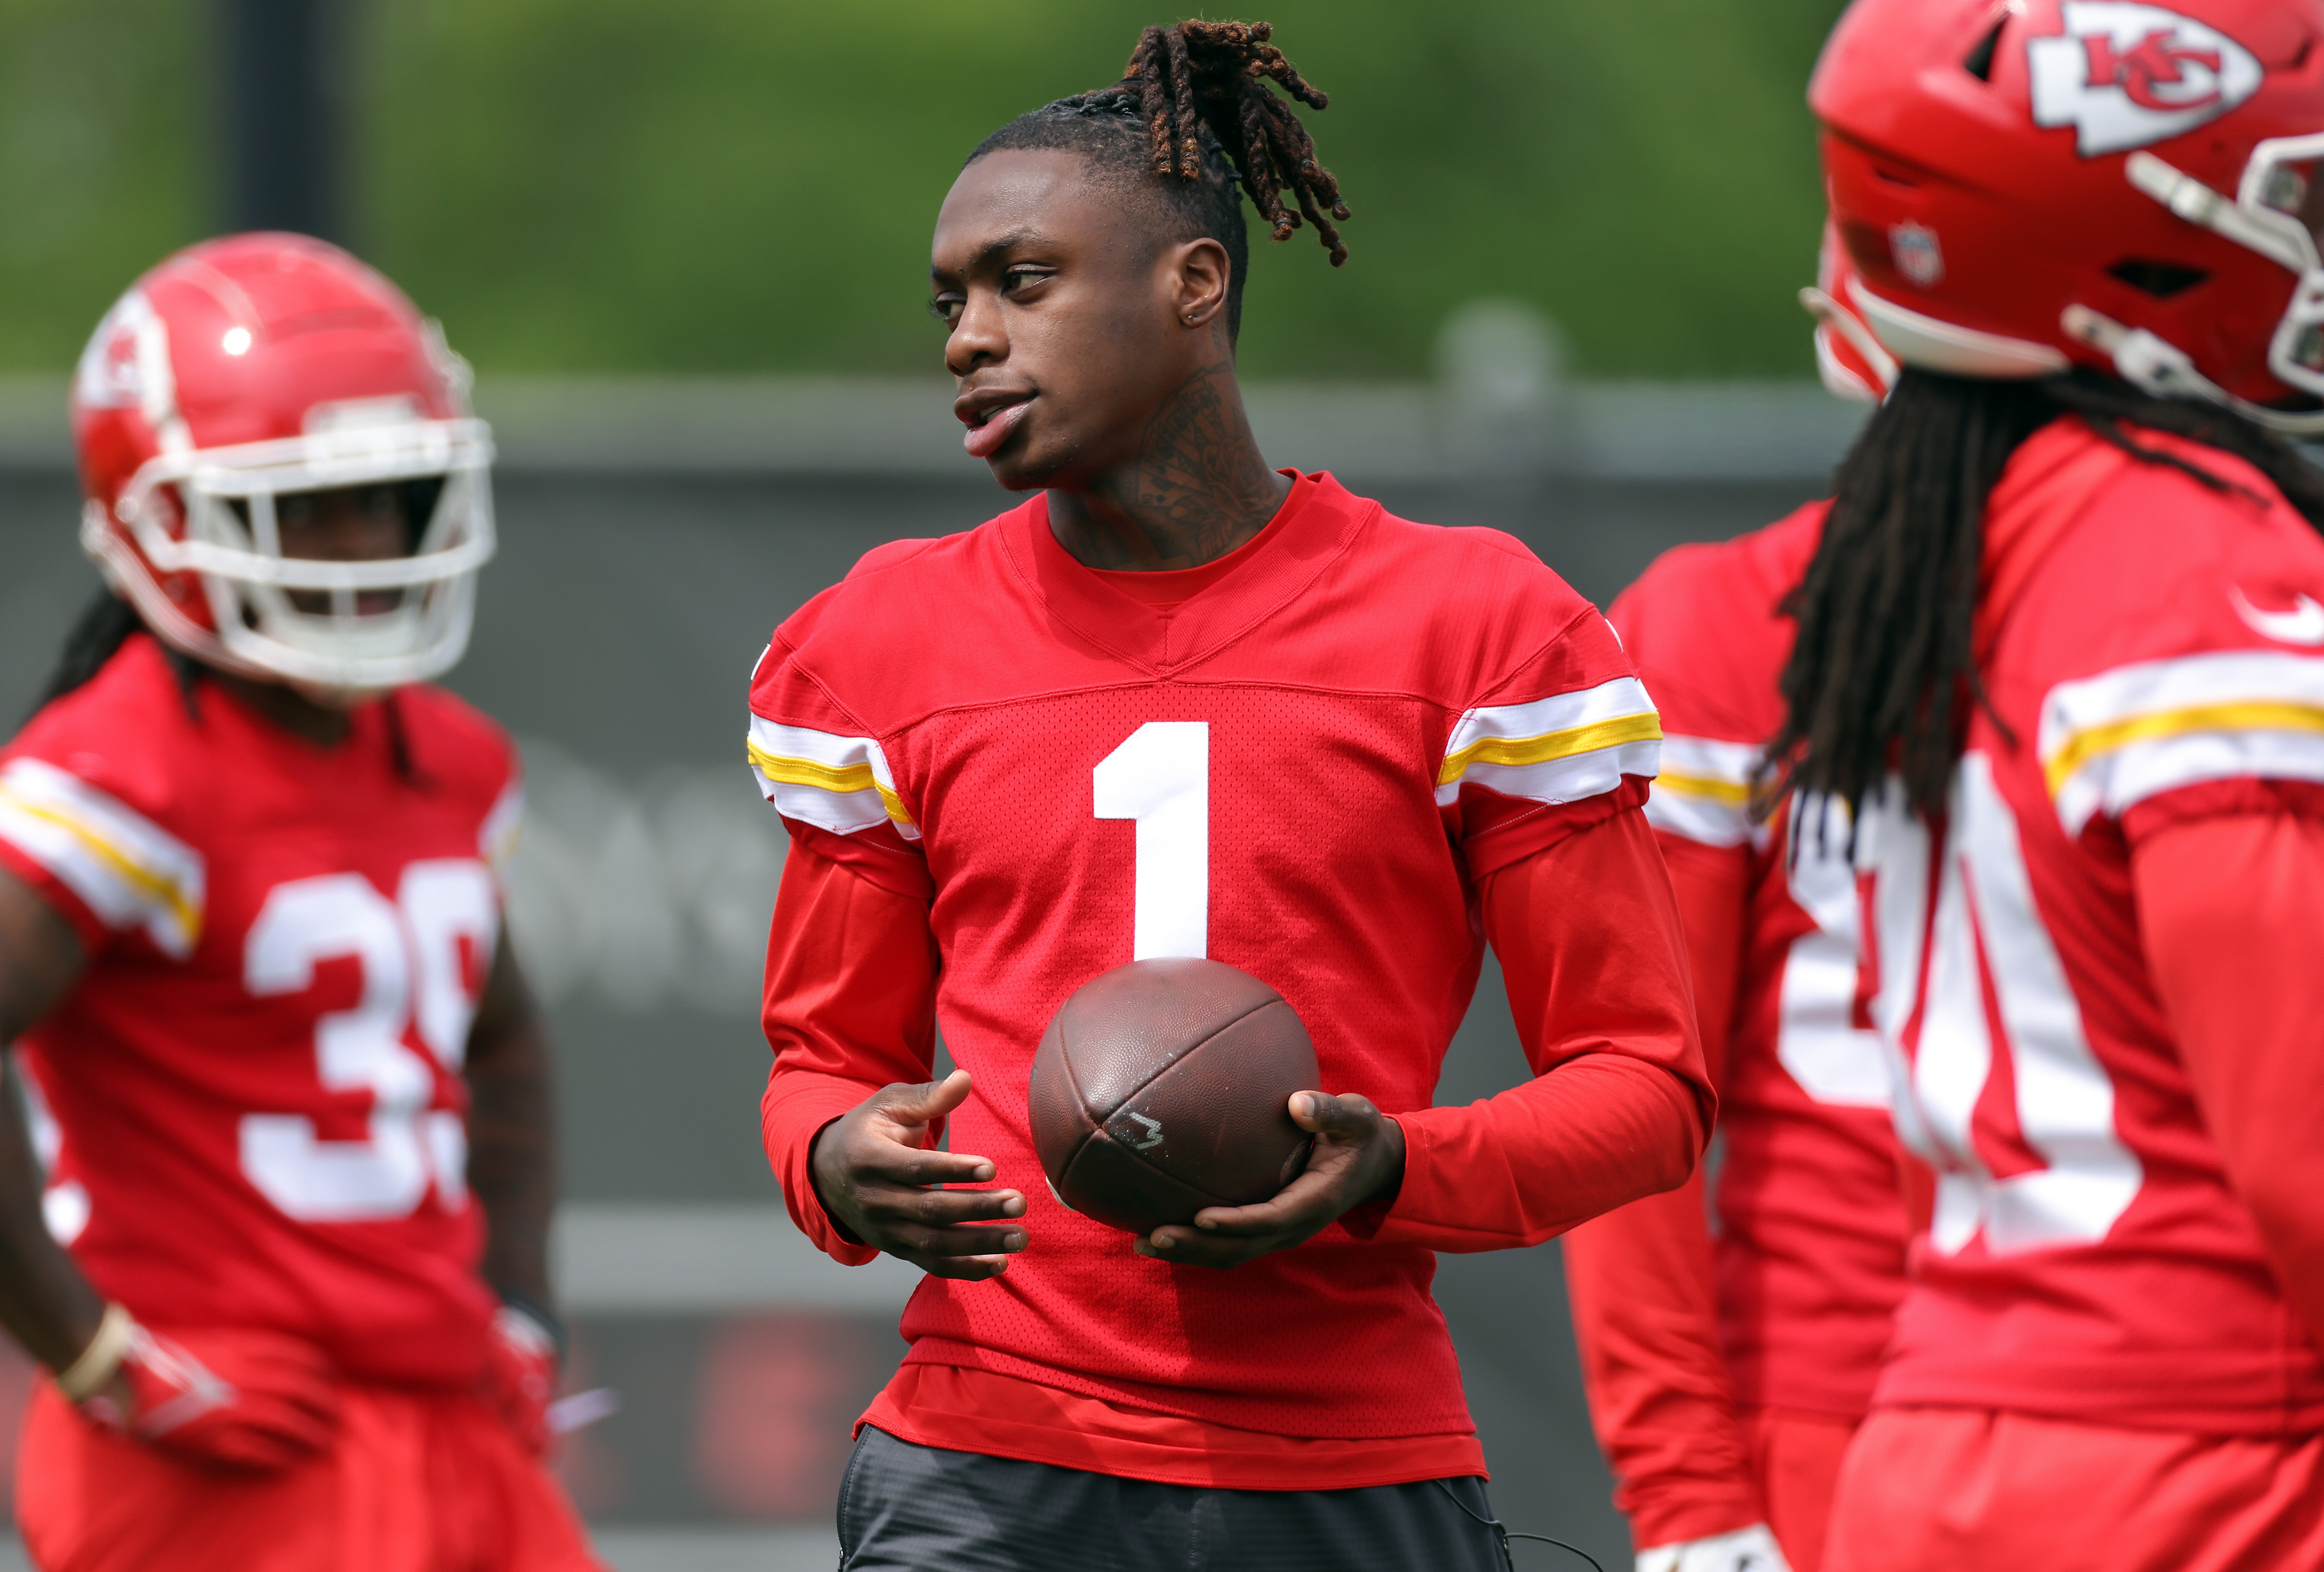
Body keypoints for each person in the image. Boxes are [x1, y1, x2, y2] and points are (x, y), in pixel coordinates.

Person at [749, 19, 1714, 1571]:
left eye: (1024, 280)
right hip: (990, 1449)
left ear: (1194, 284)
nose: (968, 338)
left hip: (1344, 1454)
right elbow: (821, 1064)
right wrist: (839, 1162)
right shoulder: (879, 637)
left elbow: (1645, 1089)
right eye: (952, 302)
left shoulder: (1471, 624)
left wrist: (1393, 1165)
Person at [1788, 1, 2324, 1566]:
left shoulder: (1950, 531)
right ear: (2134, 243)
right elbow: (2304, 1139)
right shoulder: (2202, 564)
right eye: (2295, 198)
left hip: (1946, 1445)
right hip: (2218, 1459)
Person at [0, 234, 600, 1571]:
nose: (360, 545)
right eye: (302, 508)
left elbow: (500, 1039)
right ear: (164, 517)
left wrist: (519, 1301)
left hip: (441, 1406)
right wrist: (94, 1351)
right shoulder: (120, 773)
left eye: (386, 498)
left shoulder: (444, 753)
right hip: (231, 1428)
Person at [1560, 236, 1909, 1572]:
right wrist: (1690, 1489)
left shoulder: (2233, 611)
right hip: (1840, 1410)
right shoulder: (1728, 622)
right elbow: (1632, 1090)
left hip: (2203, 1392)